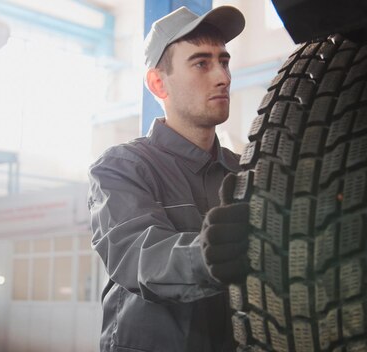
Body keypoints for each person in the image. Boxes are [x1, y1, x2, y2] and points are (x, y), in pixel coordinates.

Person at [88, 5, 251, 352]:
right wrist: (209, 255)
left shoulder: (244, 172)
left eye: (224, 61)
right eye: (201, 63)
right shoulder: (123, 166)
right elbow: (137, 255)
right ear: (158, 83)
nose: (222, 76)